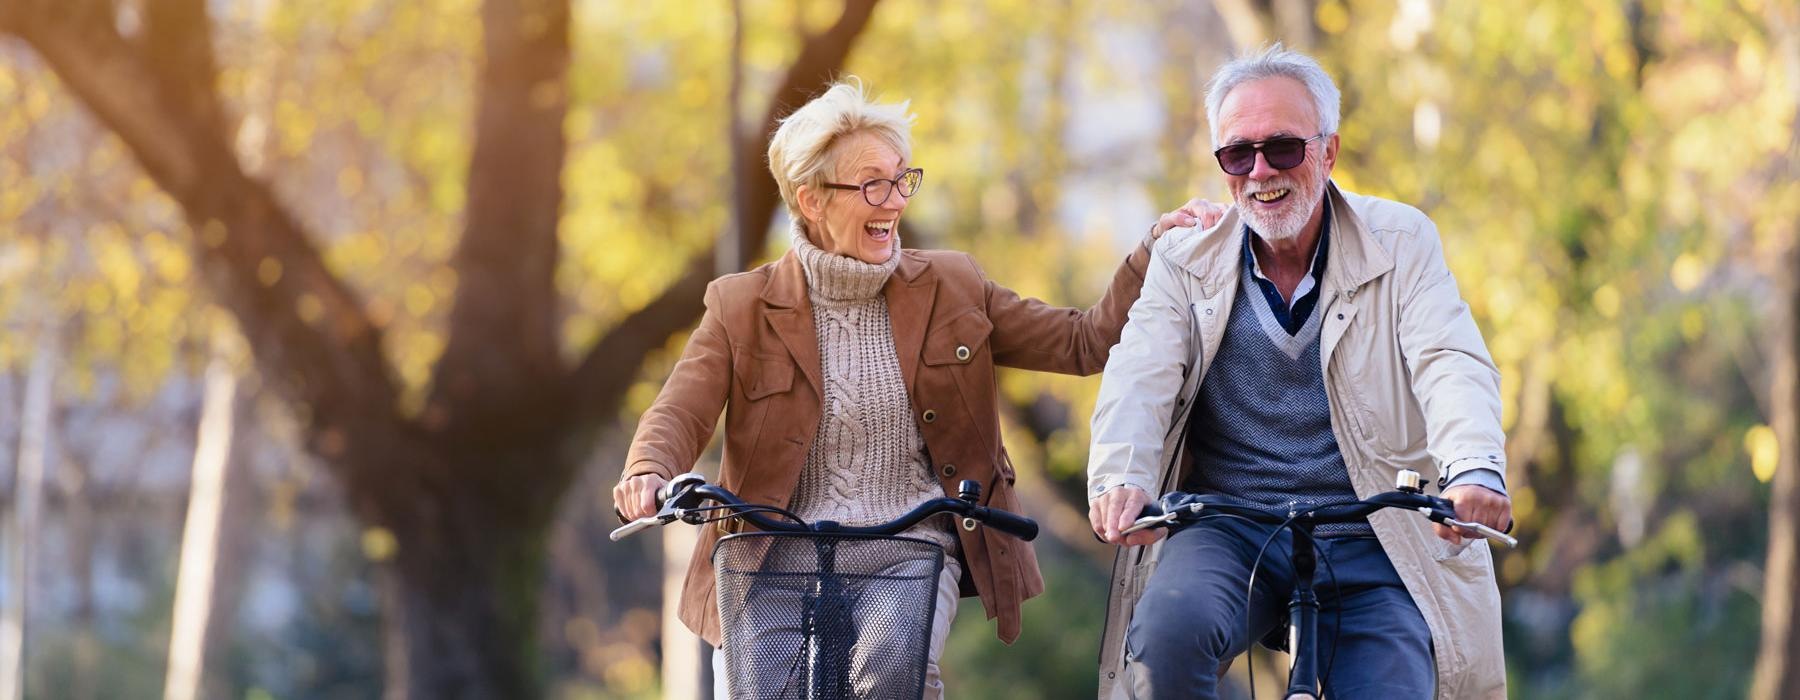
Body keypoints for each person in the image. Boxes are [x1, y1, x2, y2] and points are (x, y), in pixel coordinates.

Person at [613, 77, 1217, 699]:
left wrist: (1149, 252)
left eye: (903, 178)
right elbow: (679, 411)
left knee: (892, 686)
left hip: (905, 547)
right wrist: (648, 470)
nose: (895, 199)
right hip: (772, 550)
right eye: (872, 183)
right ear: (812, 200)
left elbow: (1082, 341)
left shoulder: (952, 284)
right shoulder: (741, 306)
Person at [1086, 45, 1511, 699]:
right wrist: (1122, 476)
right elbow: (1139, 372)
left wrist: (1474, 468)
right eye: (1237, 154)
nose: (1260, 171)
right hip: (1227, 524)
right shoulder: (1183, 260)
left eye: (1282, 148)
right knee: (1164, 646)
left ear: (1329, 151)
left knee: (1395, 685)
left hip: (1374, 531)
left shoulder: (1401, 242)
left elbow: (1447, 359)